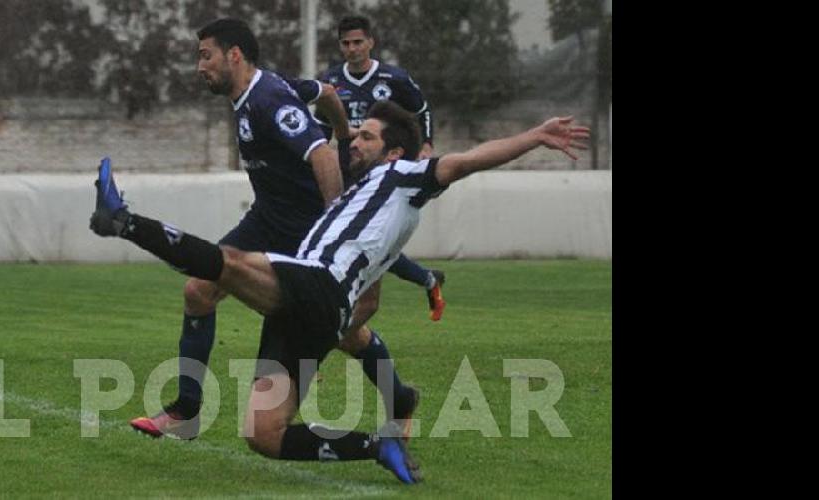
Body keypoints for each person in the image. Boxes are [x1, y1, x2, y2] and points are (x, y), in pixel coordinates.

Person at [90, 100, 589, 484]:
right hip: (314, 312)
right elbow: (379, 265)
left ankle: (124, 220)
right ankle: (377, 446)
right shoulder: (365, 200)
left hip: (318, 288)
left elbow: (463, 163)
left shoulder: (403, 177)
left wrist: (534, 136)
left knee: (227, 266)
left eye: (367, 136)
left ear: (394, 152)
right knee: (263, 436)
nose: (355, 141)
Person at [129, 18, 419, 443]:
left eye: (205, 55)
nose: (199, 66)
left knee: (345, 332)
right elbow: (326, 93)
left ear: (234, 55)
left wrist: (333, 215)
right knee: (198, 291)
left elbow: (319, 156)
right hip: (267, 220)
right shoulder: (263, 90)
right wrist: (342, 131)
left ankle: (399, 399)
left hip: (305, 231)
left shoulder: (267, 99)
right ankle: (187, 410)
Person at [316, 14, 448, 322]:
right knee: (364, 240)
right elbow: (321, 127)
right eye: (346, 43)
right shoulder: (332, 82)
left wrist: (426, 144)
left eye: (358, 42)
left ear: (370, 43)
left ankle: (326, 333)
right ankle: (427, 279)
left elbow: (422, 110)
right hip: (347, 170)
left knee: (367, 240)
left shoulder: (393, 79)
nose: (352, 49)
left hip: (384, 173)